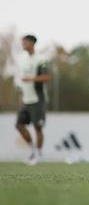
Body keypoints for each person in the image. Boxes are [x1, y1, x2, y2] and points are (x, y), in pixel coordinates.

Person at [15, 34, 51, 165]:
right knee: (19, 125)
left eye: (25, 42)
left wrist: (31, 79)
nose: (23, 44)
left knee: (38, 128)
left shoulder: (41, 59)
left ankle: (39, 154)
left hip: (37, 99)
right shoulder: (22, 59)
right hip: (26, 99)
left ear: (32, 43)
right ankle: (33, 150)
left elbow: (47, 77)